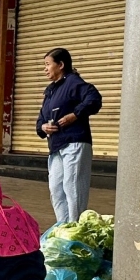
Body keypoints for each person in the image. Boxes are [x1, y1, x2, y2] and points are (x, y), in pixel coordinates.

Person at [36, 48, 103, 225]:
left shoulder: (73, 82)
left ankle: (75, 229)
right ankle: (63, 227)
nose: (45, 69)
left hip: (75, 142)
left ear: (61, 65)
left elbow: (94, 99)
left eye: (47, 64)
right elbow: (41, 119)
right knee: (56, 189)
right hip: (57, 146)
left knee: (72, 186)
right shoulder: (50, 91)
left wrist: (75, 115)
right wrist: (43, 127)